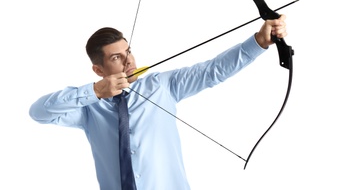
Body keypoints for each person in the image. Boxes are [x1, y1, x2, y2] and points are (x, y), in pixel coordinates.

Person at [29, 15, 288, 190]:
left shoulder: (162, 85)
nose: (129, 62)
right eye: (117, 58)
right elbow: (39, 112)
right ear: (98, 70)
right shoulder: (88, 107)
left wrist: (258, 42)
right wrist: (95, 92)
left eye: (128, 52)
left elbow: (212, 71)